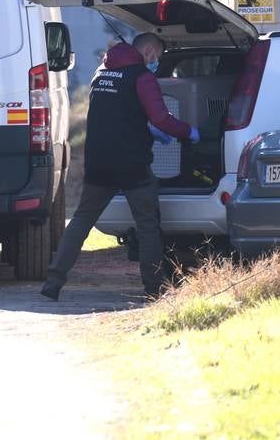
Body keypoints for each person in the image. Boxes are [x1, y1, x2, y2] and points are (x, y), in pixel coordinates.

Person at [42, 33, 199, 300]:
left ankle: (53, 283)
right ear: (148, 51)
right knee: (148, 226)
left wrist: (145, 127)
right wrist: (188, 131)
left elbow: (116, 113)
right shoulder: (142, 77)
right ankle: (154, 289)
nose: (157, 62)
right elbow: (161, 117)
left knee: (81, 220)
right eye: (158, 56)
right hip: (133, 164)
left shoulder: (101, 73)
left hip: (99, 161)